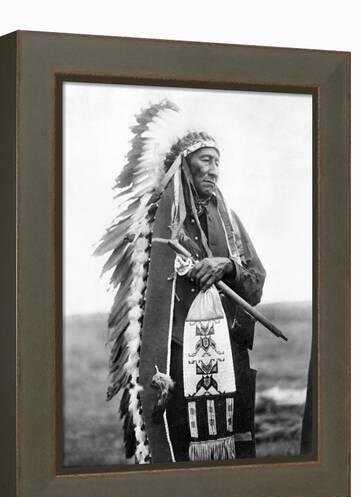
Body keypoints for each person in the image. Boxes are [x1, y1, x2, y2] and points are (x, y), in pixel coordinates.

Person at [95, 100, 265, 464]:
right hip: (174, 359)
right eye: (206, 160)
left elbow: (256, 282)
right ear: (182, 164)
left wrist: (229, 267)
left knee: (233, 452)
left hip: (228, 356)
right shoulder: (152, 224)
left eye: (218, 161)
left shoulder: (229, 223)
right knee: (179, 453)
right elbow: (138, 302)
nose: (214, 170)